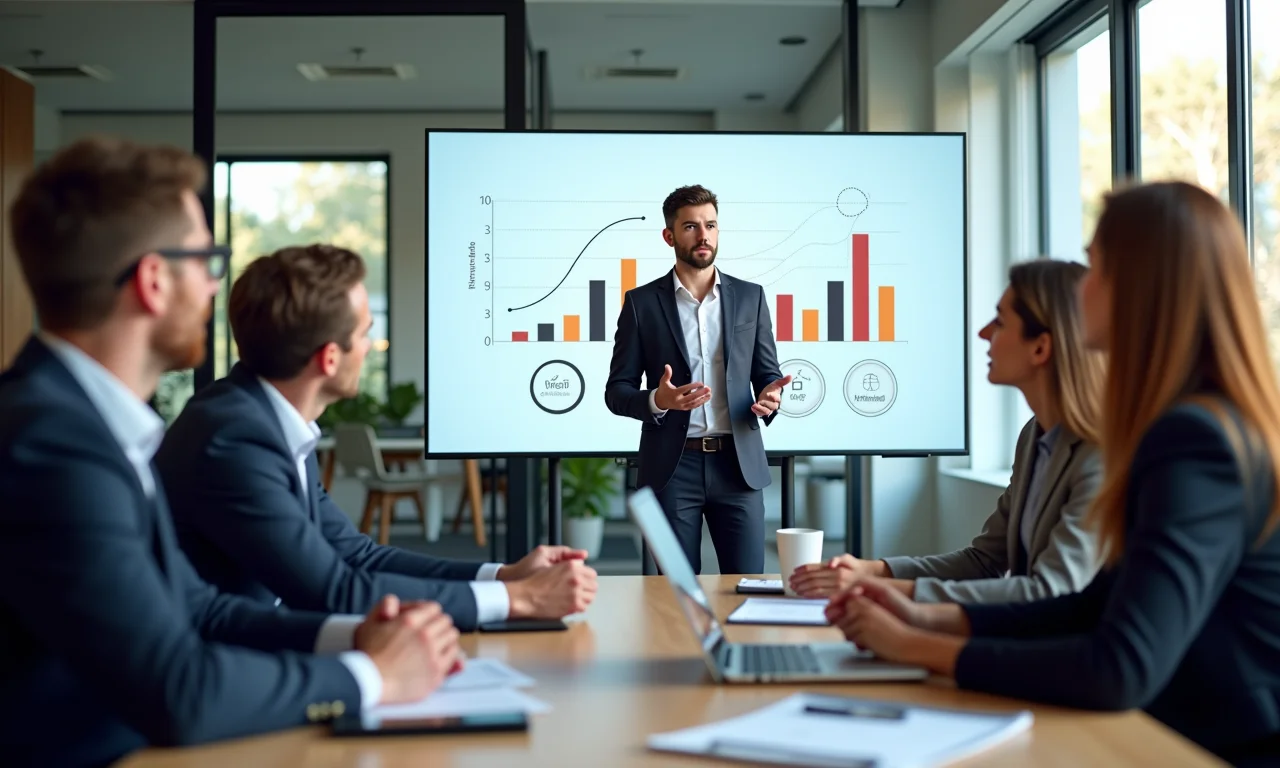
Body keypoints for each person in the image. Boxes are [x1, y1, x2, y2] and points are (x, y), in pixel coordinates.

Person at [0, 136, 460, 768]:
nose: (219, 288)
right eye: (208, 261)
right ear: (154, 281)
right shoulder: (52, 445)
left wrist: (360, 637)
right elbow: (179, 691)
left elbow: (199, 608)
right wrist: (371, 677)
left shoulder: (88, 425)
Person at [824, 181, 1280, 765]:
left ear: (1139, 288)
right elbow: (1093, 604)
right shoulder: (1195, 425)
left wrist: (917, 645)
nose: (1080, 287)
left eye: (1094, 267)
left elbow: (1120, 666)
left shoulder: (1195, 441)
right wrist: (927, 617)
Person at [155, 244, 597, 630]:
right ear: (329, 358)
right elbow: (333, 591)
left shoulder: (269, 419)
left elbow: (359, 557)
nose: (369, 346)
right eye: (364, 333)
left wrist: (504, 577)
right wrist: (521, 600)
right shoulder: (235, 439)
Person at [791, 259, 1105, 603]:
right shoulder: (1034, 436)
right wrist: (872, 570)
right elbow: (984, 562)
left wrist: (881, 590)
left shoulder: (1099, 455)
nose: (983, 333)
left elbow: (1048, 591)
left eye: (1000, 321)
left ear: (1041, 347)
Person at [605, 184, 790, 575]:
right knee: (676, 599)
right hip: (672, 470)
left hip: (738, 468)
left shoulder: (750, 297)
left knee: (747, 587)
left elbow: (766, 372)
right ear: (669, 236)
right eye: (691, 227)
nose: (703, 235)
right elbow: (616, 391)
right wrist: (658, 400)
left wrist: (770, 397)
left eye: (711, 225)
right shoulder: (641, 304)